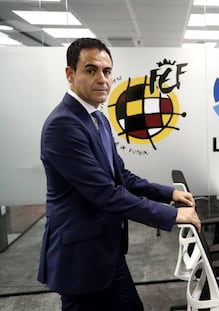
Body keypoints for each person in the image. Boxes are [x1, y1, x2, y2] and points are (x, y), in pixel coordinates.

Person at [37, 37, 201, 311]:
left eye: (107, 71)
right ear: (70, 74)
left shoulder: (98, 118)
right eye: (91, 70)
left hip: (106, 249)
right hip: (81, 256)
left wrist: (168, 193)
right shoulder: (63, 125)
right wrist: (171, 214)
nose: (102, 78)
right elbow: (105, 194)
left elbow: (120, 175)